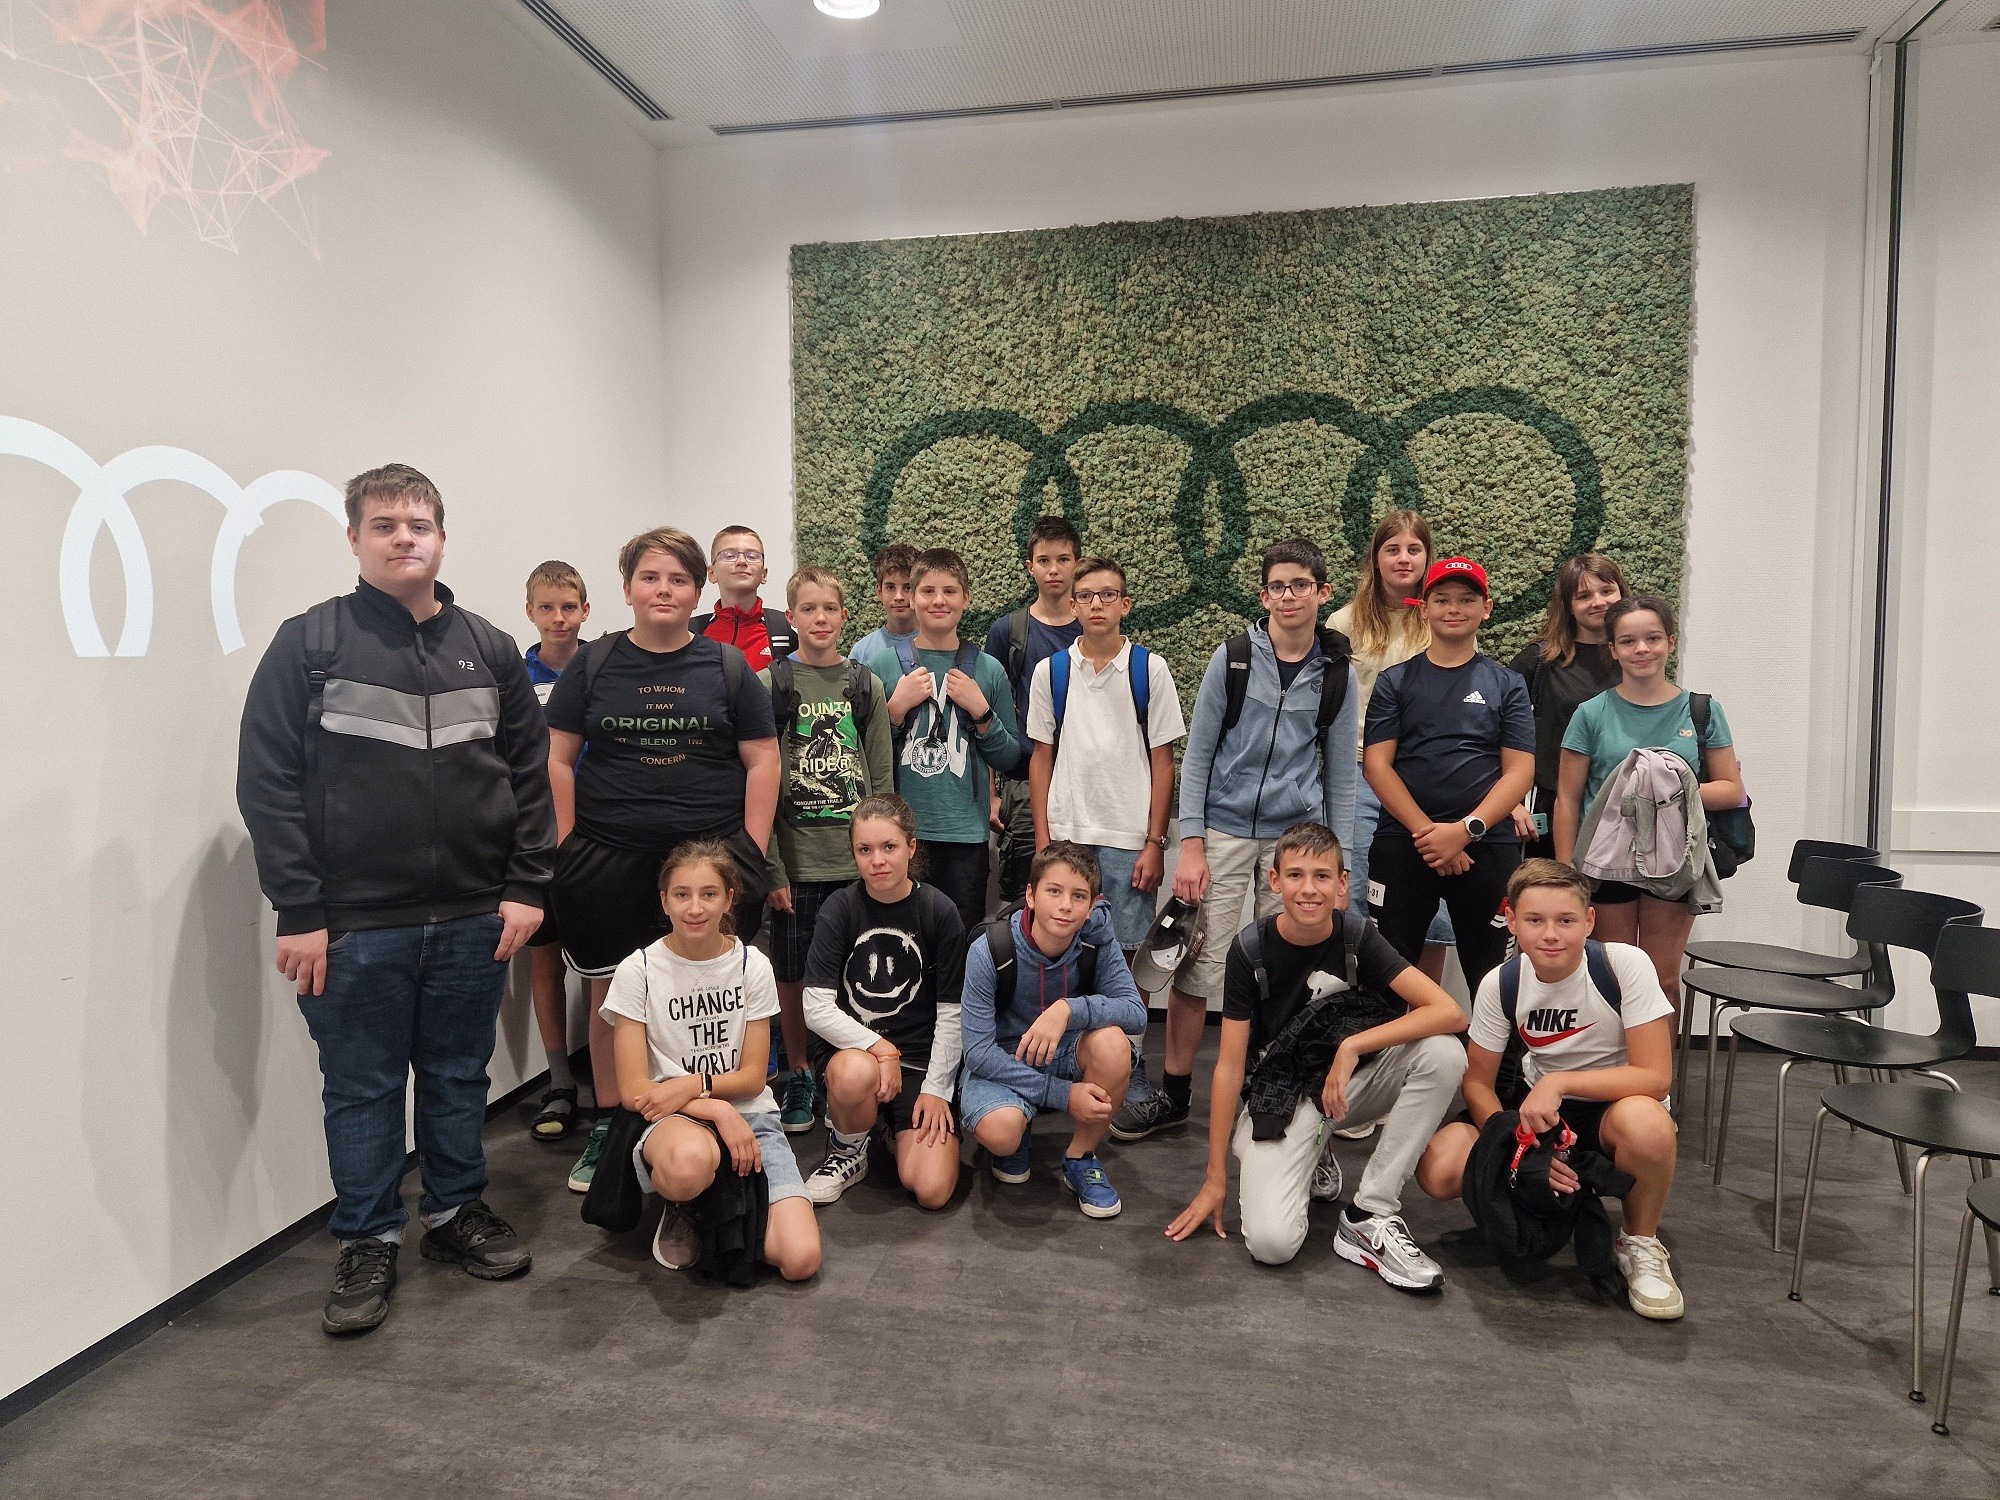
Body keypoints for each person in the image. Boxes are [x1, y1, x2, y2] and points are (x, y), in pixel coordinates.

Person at [237, 463, 553, 1336]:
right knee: (362, 1089)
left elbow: (531, 778)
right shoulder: (310, 644)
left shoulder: (490, 648)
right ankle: (369, 1237)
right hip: (352, 925)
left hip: (473, 916)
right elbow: (267, 784)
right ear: (354, 539)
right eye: (384, 525)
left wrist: (527, 886)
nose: (403, 538)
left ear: (441, 538)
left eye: (418, 525)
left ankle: (453, 1214)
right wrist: (300, 909)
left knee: (457, 1077)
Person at [546, 527, 780, 1198]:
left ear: (698, 590)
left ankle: (709, 1112)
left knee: (706, 992)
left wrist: (749, 851)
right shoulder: (592, 665)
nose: (664, 590)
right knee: (609, 994)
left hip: (707, 860)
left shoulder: (727, 668)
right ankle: (611, 1122)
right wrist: (568, 844)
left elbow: (763, 759)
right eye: (650, 578)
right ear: (627, 589)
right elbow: (557, 758)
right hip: (607, 857)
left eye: (678, 579)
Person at [1113, 537, 1359, 1144]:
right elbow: (1197, 756)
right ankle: (1175, 1095)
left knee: (1290, 971)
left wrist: (1341, 867)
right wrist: (1191, 843)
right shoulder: (1234, 658)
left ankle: (1275, 1090)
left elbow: (1341, 776)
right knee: (1198, 964)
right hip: (1222, 831)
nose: (1288, 596)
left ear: (1322, 593)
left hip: (1295, 839)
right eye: (1277, 586)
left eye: (1300, 585)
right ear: (1264, 595)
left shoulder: (1337, 673)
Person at [1166, 823, 1468, 1291]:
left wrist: (1352, 1046)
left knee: (1444, 1054)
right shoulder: (1249, 950)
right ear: (1274, 881)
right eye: (1296, 875)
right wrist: (1215, 1178)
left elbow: (1449, 1012)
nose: (1309, 889)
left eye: (1322, 876)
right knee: (1271, 1245)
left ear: (1342, 884)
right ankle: (1307, 1148)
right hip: (1284, 1093)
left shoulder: (1358, 935)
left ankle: (1371, 1212)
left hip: (1347, 1085)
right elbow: (1228, 1067)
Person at [1415, 859, 1684, 1319]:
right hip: (1539, 1112)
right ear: (1512, 921)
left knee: (1648, 1124)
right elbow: (1477, 1082)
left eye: (1566, 921)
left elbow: (1655, 1075)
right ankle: (1541, 1198)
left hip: (1611, 1106)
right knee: (1438, 1169)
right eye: (1535, 921)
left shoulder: (1623, 964)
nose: (1551, 935)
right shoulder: (1502, 982)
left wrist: (1560, 1082)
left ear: (1589, 921)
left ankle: (1639, 1241)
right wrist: (1520, 1148)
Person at [605, 841, 821, 1282]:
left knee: (800, 1260)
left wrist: (696, 1083)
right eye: (681, 894)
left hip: (750, 1115)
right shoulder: (638, 970)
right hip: (672, 1116)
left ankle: (724, 1206)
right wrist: (716, 1109)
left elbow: (754, 1077)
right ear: (664, 901)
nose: (694, 908)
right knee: (687, 1165)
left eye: (709, 894)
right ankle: (683, 1201)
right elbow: (633, 1091)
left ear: (729, 899)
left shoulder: (752, 964)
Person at [1554, 594, 1744, 1000]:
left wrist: (1661, 789)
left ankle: (1659, 1048)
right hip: (1604, 865)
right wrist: (1568, 874)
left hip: (1675, 862)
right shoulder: (1590, 714)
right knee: (1612, 980)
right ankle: (1615, 1047)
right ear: (1613, 650)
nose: (1641, 649)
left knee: (1661, 980)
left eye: (1653, 638)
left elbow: (1731, 790)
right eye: (1628, 641)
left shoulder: (1702, 711)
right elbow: (1567, 799)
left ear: (1670, 643)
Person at [1363, 555, 1535, 1001]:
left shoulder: (1508, 684)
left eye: (1466, 599)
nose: (1453, 608)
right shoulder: (1395, 681)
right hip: (1405, 843)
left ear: (1486, 608)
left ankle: (1490, 1054)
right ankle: (1389, 1050)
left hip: (1486, 845)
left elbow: (1520, 771)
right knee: (1386, 976)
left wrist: (1465, 831)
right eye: (1441, 599)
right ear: (1423, 608)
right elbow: (1376, 765)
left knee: (1494, 979)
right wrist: (1430, 835)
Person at [761, 567, 895, 1134]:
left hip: (854, 863)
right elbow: (759, 785)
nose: (820, 618)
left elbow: (882, 779)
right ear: (791, 617)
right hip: (798, 862)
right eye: (809, 609)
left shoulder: (865, 685)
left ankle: (852, 1064)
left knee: (852, 971)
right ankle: (798, 1071)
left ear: (844, 615)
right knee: (793, 974)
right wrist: (772, 867)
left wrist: (882, 856)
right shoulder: (771, 684)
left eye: (830, 608)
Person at [959, 843, 1147, 1216]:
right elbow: (978, 1052)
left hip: (1063, 1051)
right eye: (1054, 891)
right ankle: (1018, 1130)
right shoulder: (990, 949)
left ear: (1091, 905)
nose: (1065, 906)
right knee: (1000, 1132)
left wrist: (1068, 1010)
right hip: (1004, 1059)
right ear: (1031, 895)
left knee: (1113, 1045)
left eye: (1079, 896)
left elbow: (1135, 1012)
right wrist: (1062, 1095)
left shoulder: (1096, 938)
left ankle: (1081, 1156)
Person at [799, 794, 965, 1210]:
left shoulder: (939, 911)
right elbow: (815, 1006)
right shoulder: (839, 908)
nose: (878, 861)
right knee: (854, 1073)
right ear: (854, 854)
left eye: (889, 847)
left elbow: (952, 1014)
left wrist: (937, 1089)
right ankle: (849, 1147)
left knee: (930, 1189)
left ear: (911, 847)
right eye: (865, 850)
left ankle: (886, 1125)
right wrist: (880, 1048)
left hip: (919, 1062)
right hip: (856, 1056)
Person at [1026, 556, 1184, 957]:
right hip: (1066, 834)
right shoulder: (1050, 672)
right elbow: (1041, 757)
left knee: (1129, 951)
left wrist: (1155, 842)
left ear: (1124, 604)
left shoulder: (1150, 669)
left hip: (1129, 842)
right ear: (1073, 606)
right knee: (1061, 949)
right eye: (1085, 596)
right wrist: (1043, 838)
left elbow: (1164, 761)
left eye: (1108, 595)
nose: (1097, 604)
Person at [1328, 510, 1456, 996]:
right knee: (1362, 894)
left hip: (1427, 775)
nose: (1404, 559)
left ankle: (1428, 1016)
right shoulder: (1344, 622)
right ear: (1375, 558)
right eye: (1392, 549)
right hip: (1361, 772)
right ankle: (1369, 1014)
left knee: (1433, 904)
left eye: (1414, 549)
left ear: (1427, 557)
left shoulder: (1442, 616)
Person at [862, 547, 1023, 930]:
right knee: (902, 937)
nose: (938, 601)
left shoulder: (988, 670)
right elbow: (864, 754)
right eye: (928, 591)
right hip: (899, 834)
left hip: (965, 834)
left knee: (959, 938)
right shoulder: (882, 666)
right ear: (913, 598)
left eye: (949, 591)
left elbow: (1010, 757)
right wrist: (894, 712)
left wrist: (982, 714)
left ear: (965, 599)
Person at [521, 560, 592, 1141]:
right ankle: (560, 1081)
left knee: (605, 962)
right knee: (545, 957)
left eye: (569, 607)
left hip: (600, 833)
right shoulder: (514, 677)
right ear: (531, 612)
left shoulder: (604, 666)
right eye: (547, 608)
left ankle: (610, 1080)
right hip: (538, 837)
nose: (559, 618)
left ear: (585, 611)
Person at [985, 516, 1083, 903]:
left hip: (1085, 781)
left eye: (1063, 559)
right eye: (1044, 560)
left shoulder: (1094, 628)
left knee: (1082, 890)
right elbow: (987, 716)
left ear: (1077, 563)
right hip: (1024, 782)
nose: (1053, 569)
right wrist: (992, 794)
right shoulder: (1008, 632)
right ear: (1030, 567)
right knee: (1026, 893)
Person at [1509, 554, 1628, 861]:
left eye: (1607, 591)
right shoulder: (1538, 661)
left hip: (1621, 808)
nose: (1598, 602)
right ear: (1568, 605)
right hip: (1548, 808)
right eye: (1584, 596)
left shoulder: (1636, 657)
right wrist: (1510, 802)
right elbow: (1494, 733)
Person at [691, 524, 796, 673]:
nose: (741, 561)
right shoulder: (692, 632)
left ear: (764, 574)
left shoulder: (785, 629)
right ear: (712, 573)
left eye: (752, 556)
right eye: (729, 555)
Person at [849, 542, 919, 664]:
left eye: (907, 588)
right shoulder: (862, 652)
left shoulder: (938, 646)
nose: (898, 597)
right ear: (879, 592)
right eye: (890, 587)